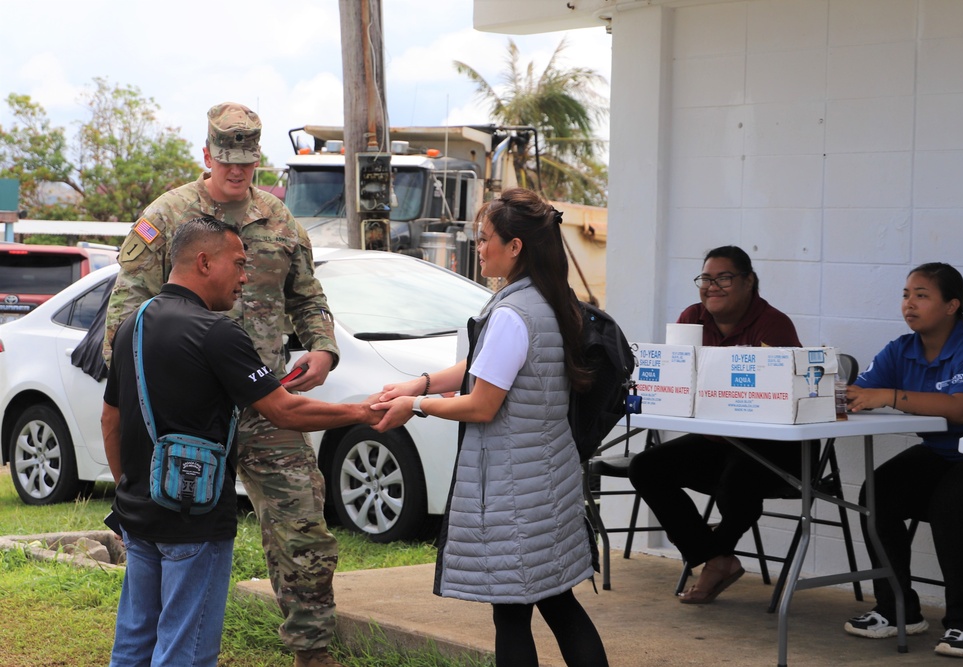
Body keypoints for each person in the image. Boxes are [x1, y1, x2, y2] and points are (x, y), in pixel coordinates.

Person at [104, 103, 345, 667]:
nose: (237, 175)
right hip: (184, 411)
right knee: (166, 531)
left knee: (301, 524)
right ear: (207, 155)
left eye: (248, 165)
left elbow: (308, 299)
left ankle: (312, 650)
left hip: (263, 401)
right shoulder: (168, 216)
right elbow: (127, 311)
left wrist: (323, 350)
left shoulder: (281, 224)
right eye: (227, 164)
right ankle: (164, 646)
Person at [370, 188, 608, 667]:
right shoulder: (549, 300)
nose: (478, 249)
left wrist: (416, 405)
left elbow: (482, 404)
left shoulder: (512, 313)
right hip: (547, 475)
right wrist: (418, 383)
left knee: (514, 614)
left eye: (484, 240)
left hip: (516, 487)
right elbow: (484, 367)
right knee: (558, 601)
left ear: (515, 246)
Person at [627, 245, 802, 604]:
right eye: (706, 278)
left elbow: (777, 394)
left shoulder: (773, 324)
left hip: (770, 446)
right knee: (646, 466)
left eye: (724, 278)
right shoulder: (691, 317)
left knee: (736, 483)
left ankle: (712, 554)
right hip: (719, 440)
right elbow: (676, 378)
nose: (712, 286)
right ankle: (716, 557)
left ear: (749, 282)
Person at [842, 262, 963, 659]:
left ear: (952, 306)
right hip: (940, 453)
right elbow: (859, 392)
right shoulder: (901, 348)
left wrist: (890, 396)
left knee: (950, 505)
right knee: (877, 492)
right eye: (905, 295)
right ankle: (898, 609)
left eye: (922, 295)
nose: (909, 304)